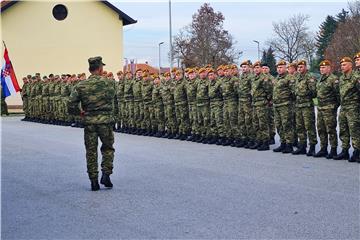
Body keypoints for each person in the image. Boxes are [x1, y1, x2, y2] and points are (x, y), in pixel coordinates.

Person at [68, 56, 117, 191]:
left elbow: (71, 104)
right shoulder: (110, 83)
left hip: (89, 122)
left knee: (91, 151)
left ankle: (93, 181)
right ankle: (106, 174)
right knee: (107, 148)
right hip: (105, 122)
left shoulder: (81, 85)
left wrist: (80, 113)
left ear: (90, 69)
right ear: (101, 68)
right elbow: (114, 99)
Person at [333, 57, 360, 162]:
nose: (342, 67)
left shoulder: (355, 76)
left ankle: (357, 151)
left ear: (350, 65)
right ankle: (344, 151)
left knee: (355, 130)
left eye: (344, 65)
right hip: (343, 107)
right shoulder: (341, 78)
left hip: (353, 107)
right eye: (341, 65)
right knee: (343, 130)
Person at [314, 60, 339, 159]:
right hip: (320, 108)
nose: (321, 69)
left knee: (331, 129)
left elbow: (338, 95)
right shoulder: (320, 79)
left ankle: (333, 150)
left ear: (329, 68)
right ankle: (323, 149)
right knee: (321, 129)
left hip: (329, 109)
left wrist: (334, 106)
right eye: (320, 68)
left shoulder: (333, 79)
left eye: (324, 67)